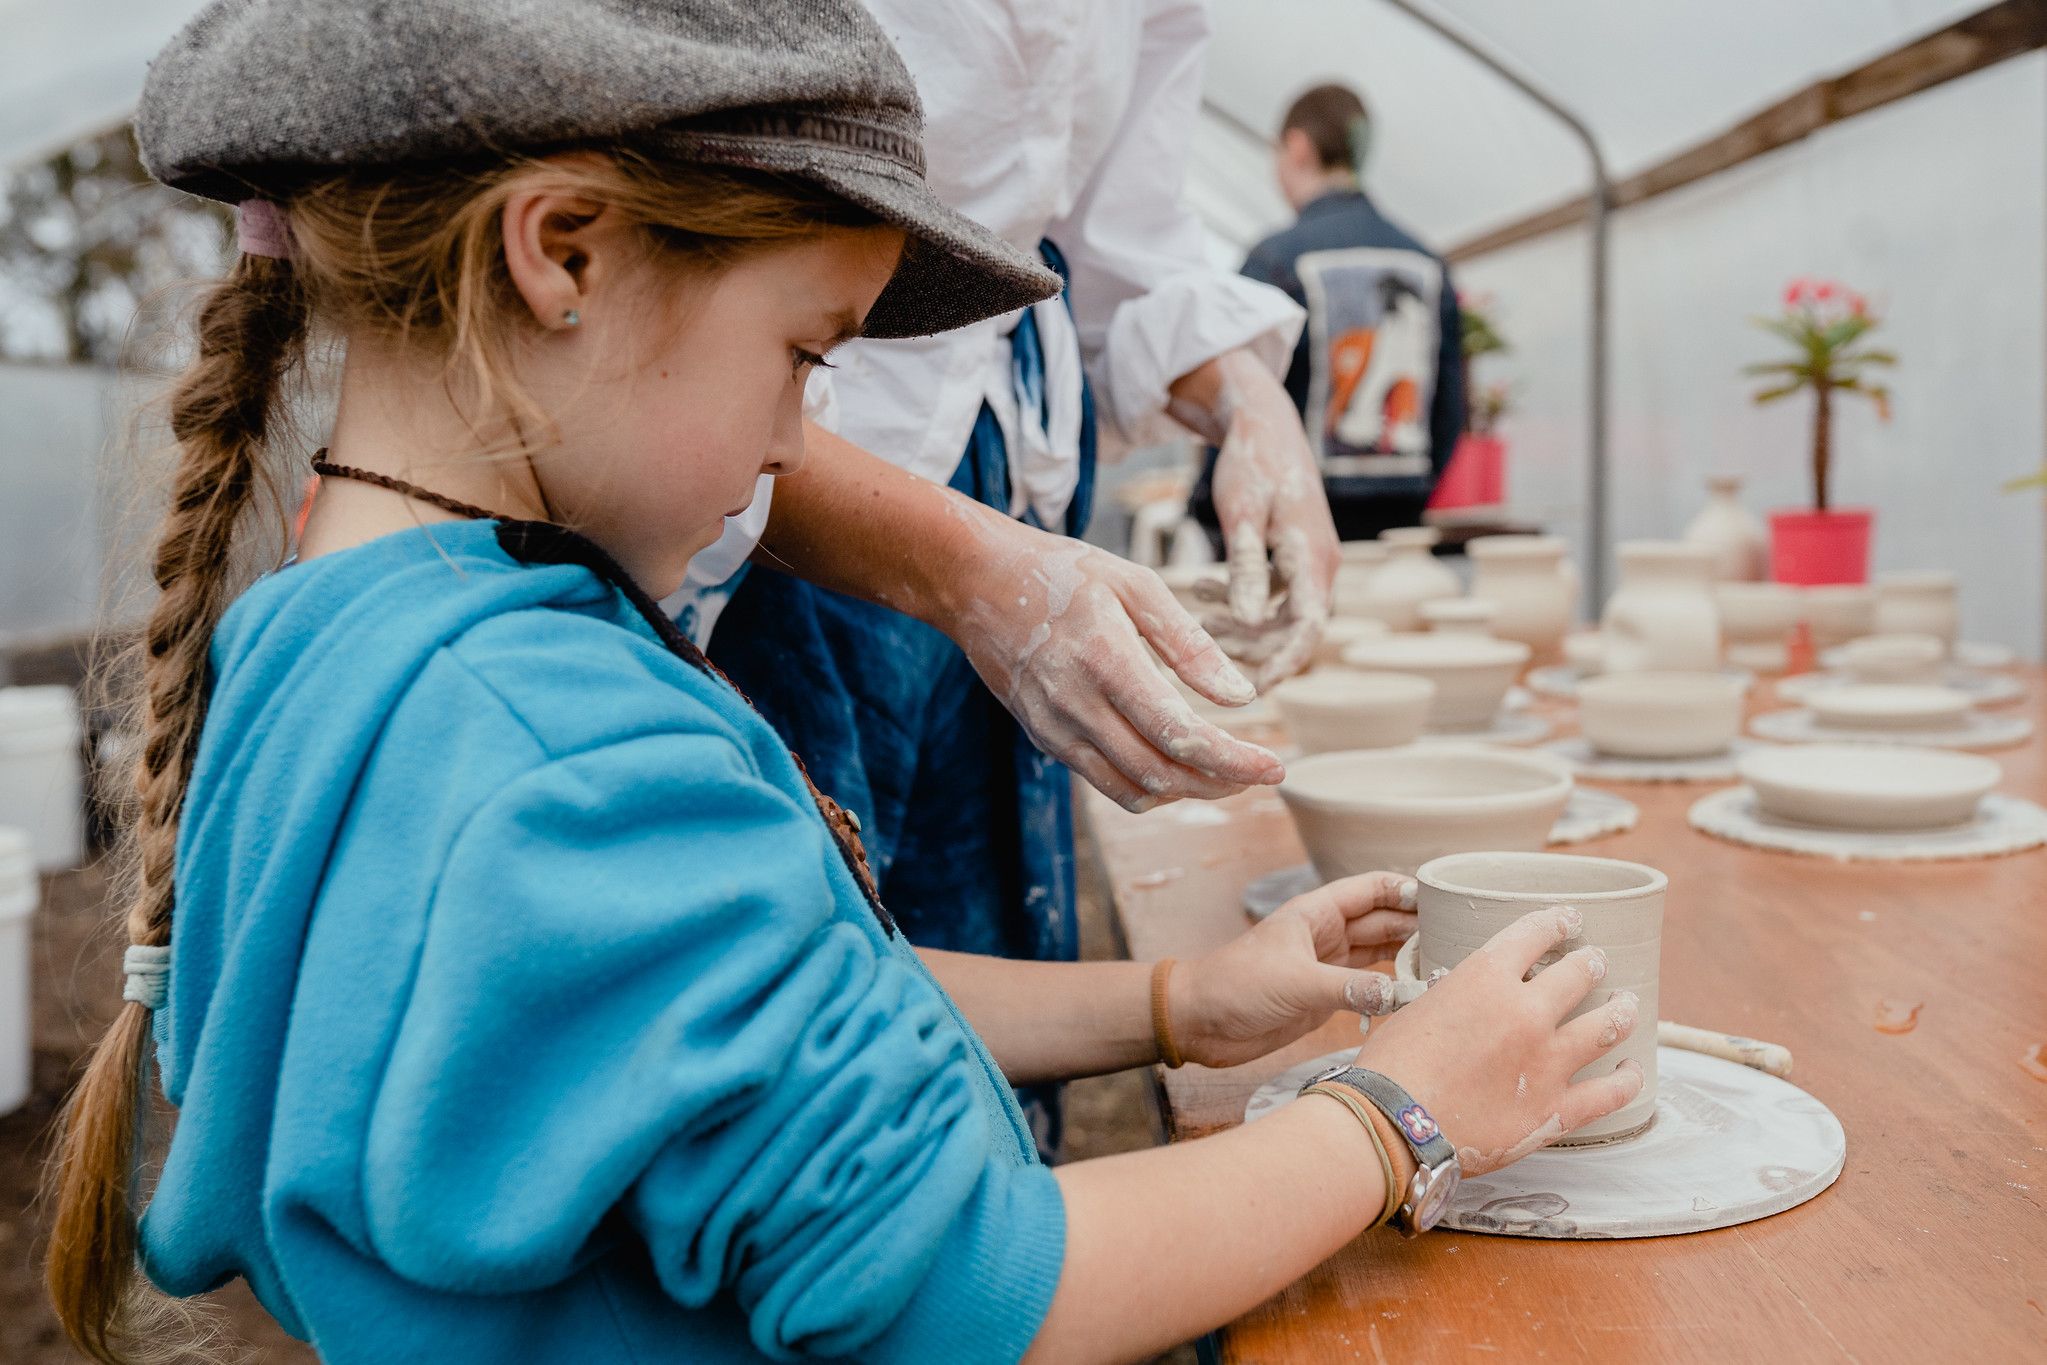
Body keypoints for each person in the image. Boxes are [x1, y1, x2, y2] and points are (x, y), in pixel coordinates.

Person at [45, 5, 1643, 1363]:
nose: (799, 447)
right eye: (809, 353)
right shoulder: (572, 758)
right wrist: (1397, 1119)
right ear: (561, 254)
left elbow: (740, 1008)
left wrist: (1170, 1005)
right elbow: (971, 1287)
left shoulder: (328, 645)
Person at [701, 2, 1343, 1100]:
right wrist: (1381, 1140)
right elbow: (671, 314)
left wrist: (1252, 405)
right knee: (808, 1031)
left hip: (1009, 459)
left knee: (970, 964)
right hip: (777, 478)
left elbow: (1121, 248)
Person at [1194, 82, 1467, 545]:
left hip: (1289, 534)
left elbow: (1229, 396)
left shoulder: (1274, 260)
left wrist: (1206, 504)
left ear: (1298, 147)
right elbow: (1450, 406)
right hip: (1397, 537)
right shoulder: (1426, 263)